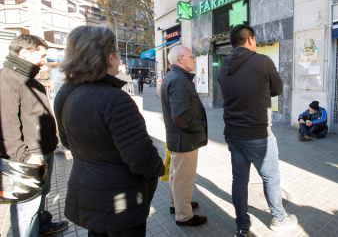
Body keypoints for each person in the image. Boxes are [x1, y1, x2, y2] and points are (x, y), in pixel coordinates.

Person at [54, 26, 165, 236]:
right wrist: (158, 169)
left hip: (87, 194)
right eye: (116, 52)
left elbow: (68, 141)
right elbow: (141, 158)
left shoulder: (66, 92)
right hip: (120, 202)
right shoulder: (115, 99)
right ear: (109, 58)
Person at [218, 24, 298, 237]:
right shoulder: (262, 61)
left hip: (233, 134)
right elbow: (278, 89)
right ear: (251, 39)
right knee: (271, 178)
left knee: (239, 180)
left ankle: (242, 225)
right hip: (258, 135)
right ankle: (279, 218)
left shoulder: (223, 66)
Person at [0, 35, 68, 237]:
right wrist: (24, 155)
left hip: (42, 152)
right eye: (41, 55)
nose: (44, 60)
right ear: (24, 53)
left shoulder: (29, 80)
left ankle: (41, 226)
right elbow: (6, 124)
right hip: (28, 158)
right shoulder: (7, 79)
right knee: (25, 208)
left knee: (39, 198)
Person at [160, 45, 208, 227]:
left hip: (177, 138)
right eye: (191, 56)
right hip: (184, 139)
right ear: (180, 59)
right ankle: (184, 215)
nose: (194, 59)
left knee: (176, 175)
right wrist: (199, 127)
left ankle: (177, 205)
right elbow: (180, 115)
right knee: (183, 178)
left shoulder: (172, 76)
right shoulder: (179, 79)